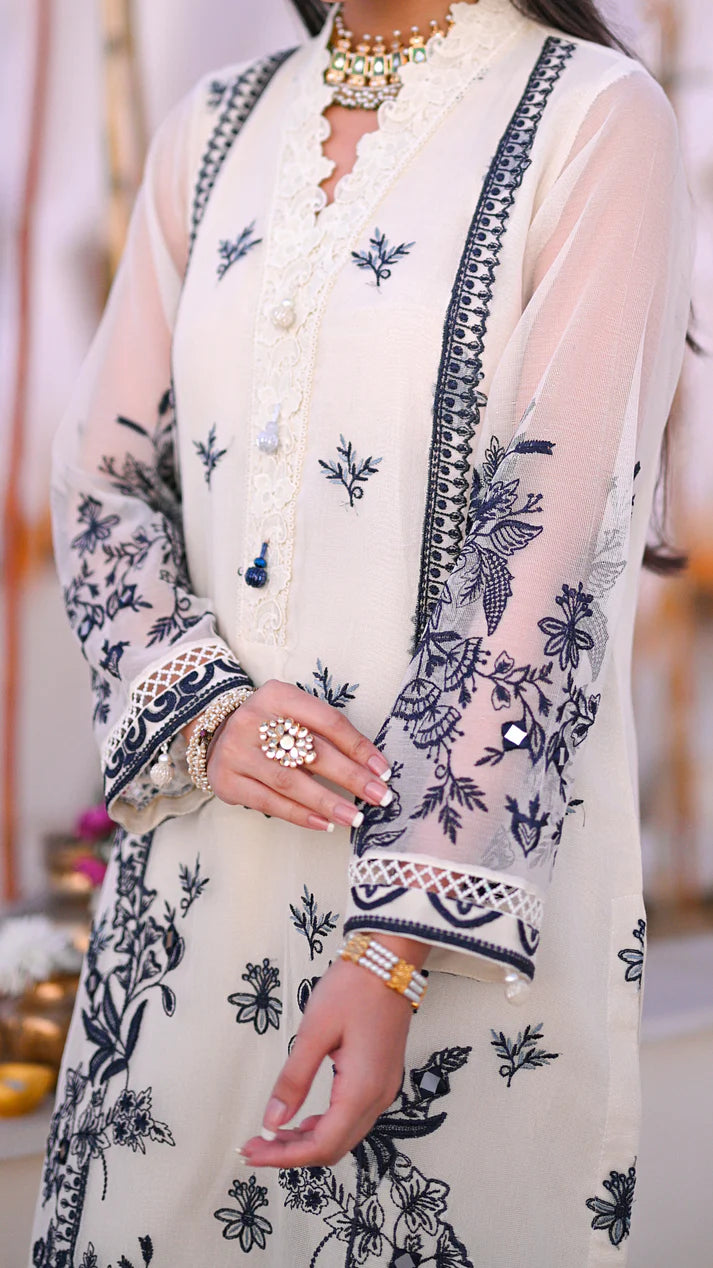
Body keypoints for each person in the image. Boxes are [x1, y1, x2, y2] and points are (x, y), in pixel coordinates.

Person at [31, 0, 692, 1264]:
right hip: (189, 897)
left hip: (442, 930)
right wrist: (203, 710)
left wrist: (388, 954)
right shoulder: (213, 129)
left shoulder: (594, 118)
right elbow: (102, 476)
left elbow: (547, 543)